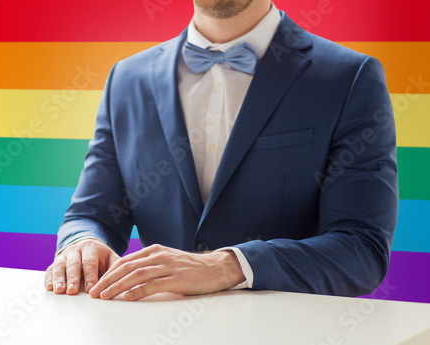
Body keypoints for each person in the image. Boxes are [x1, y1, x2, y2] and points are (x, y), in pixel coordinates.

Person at [44, 0, 398, 301]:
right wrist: (83, 242)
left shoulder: (349, 79)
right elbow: (91, 214)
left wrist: (228, 266)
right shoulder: (126, 79)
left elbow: (361, 249)